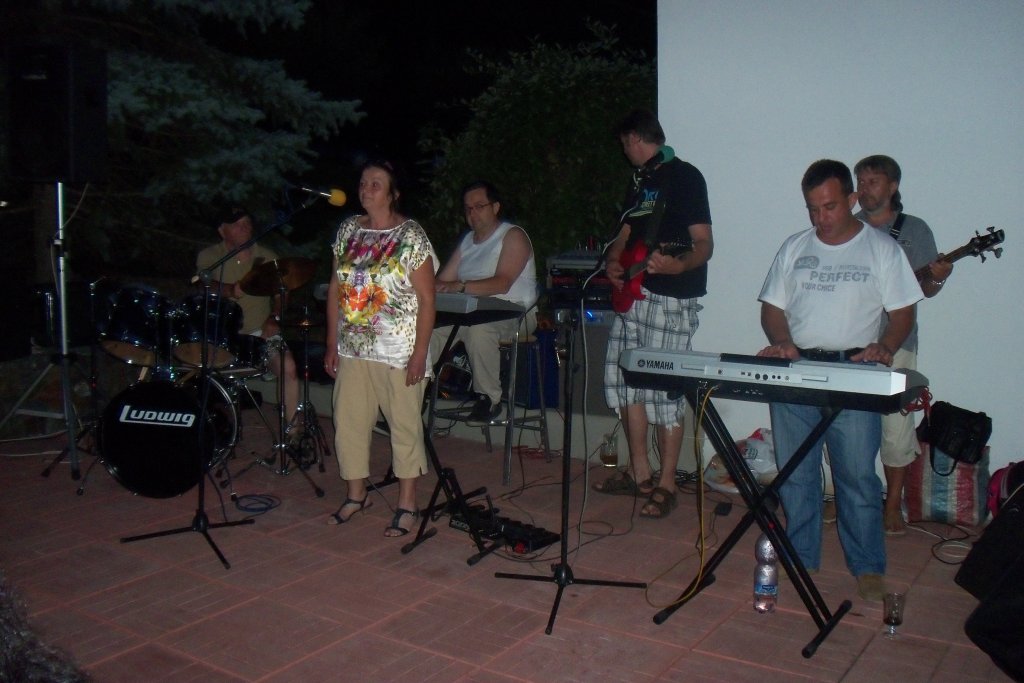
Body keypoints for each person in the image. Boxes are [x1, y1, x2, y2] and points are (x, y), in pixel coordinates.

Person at [756, 159, 923, 601]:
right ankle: (802, 557)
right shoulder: (795, 247)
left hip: (854, 372)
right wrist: (782, 341)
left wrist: (885, 345)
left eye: (829, 207)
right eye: (812, 209)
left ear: (851, 200)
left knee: (856, 476)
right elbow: (772, 308)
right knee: (797, 472)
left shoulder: (882, 249)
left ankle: (867, 566)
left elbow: (903, 312)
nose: (820, 218)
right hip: (797, 370)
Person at [593, 109, 714, 519]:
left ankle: (667, 483)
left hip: (668, 298)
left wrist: (678, 265)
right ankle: (639, 472)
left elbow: (703, 243)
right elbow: (626, 232)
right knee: (626, 384)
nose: (623, 150)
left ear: (634, 139)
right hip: (633, 296)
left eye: (623, 143)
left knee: (664, 392)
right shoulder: (641, 181)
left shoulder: (685, 177)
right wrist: (614, 260)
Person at [324, 159, 435, 537]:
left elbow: (427, 299)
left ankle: (407, 504)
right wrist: (331, 342)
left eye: (376, 184)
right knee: (349, 423)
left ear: (393, 193)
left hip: (398, 350)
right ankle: (357, 495)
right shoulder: (347, 230)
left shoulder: (410, 235)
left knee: (404, 426)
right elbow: (336, 289)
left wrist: (419, 353)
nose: (366, 189)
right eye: (363, 183)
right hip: (352, 348)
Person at [855, 154, 953, 536]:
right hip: (850, 342)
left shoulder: (915, 230)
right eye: (860, 181)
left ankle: (892, 503)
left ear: (893, 186)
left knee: (896, 428)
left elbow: (926, 289)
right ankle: (846, 497)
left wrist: (938, 277)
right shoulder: (849, 228)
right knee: (848, 426)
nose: (864, 189)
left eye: (873, 181)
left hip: (897, 342)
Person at [433, 180, 538, 424]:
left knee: (479, 330)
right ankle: (411, 394)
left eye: (479, 206)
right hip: (470, 313)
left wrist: (460, 286)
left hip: (514, 315)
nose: (473, 213)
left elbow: (502, 283)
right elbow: (442, 281)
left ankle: (488, 399)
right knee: (429, 330)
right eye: (468, 208)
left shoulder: (513, 235)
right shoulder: (467, 241)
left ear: (495, 207)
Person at [196, 207, 300, 426]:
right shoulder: (210, 256)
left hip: (260, 332)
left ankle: (291, 429)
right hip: (222, 335)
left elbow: (282, 294)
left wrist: (274, 318)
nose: (244, 227)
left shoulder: (267, 256)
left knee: (288, 367)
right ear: (222, 231)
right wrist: (229, 290)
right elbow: (204, 284)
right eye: (236, 224)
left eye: (247, 223)